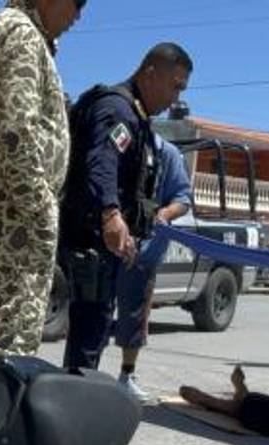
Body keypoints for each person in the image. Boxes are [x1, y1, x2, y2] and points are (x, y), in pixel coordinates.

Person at [0, 0, 84, 377]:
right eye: (77, 4)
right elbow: (15, 131)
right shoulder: (22, 33)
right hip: (11, 208)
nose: (77, 17)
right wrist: (40, 209)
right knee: (11, 336)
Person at [61, 42, 194, 373]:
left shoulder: (137, 116)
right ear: (150, 74)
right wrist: (110, 213)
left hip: (105, 246)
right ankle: (75, 398)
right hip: (89, 240)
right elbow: (102, 162)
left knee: (94, 330)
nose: (176, 98)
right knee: (89, 334)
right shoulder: (118, 109)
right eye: (174, 86)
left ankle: (78, 392)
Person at [113, 133, 192, 403]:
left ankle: (126, 375)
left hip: (143, 251)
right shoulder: (119, 142)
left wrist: (163, 214)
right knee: (96, 312)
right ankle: (83, 374)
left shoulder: (167, 154)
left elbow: (183, 198)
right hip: (108, 246)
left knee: (134, 317)